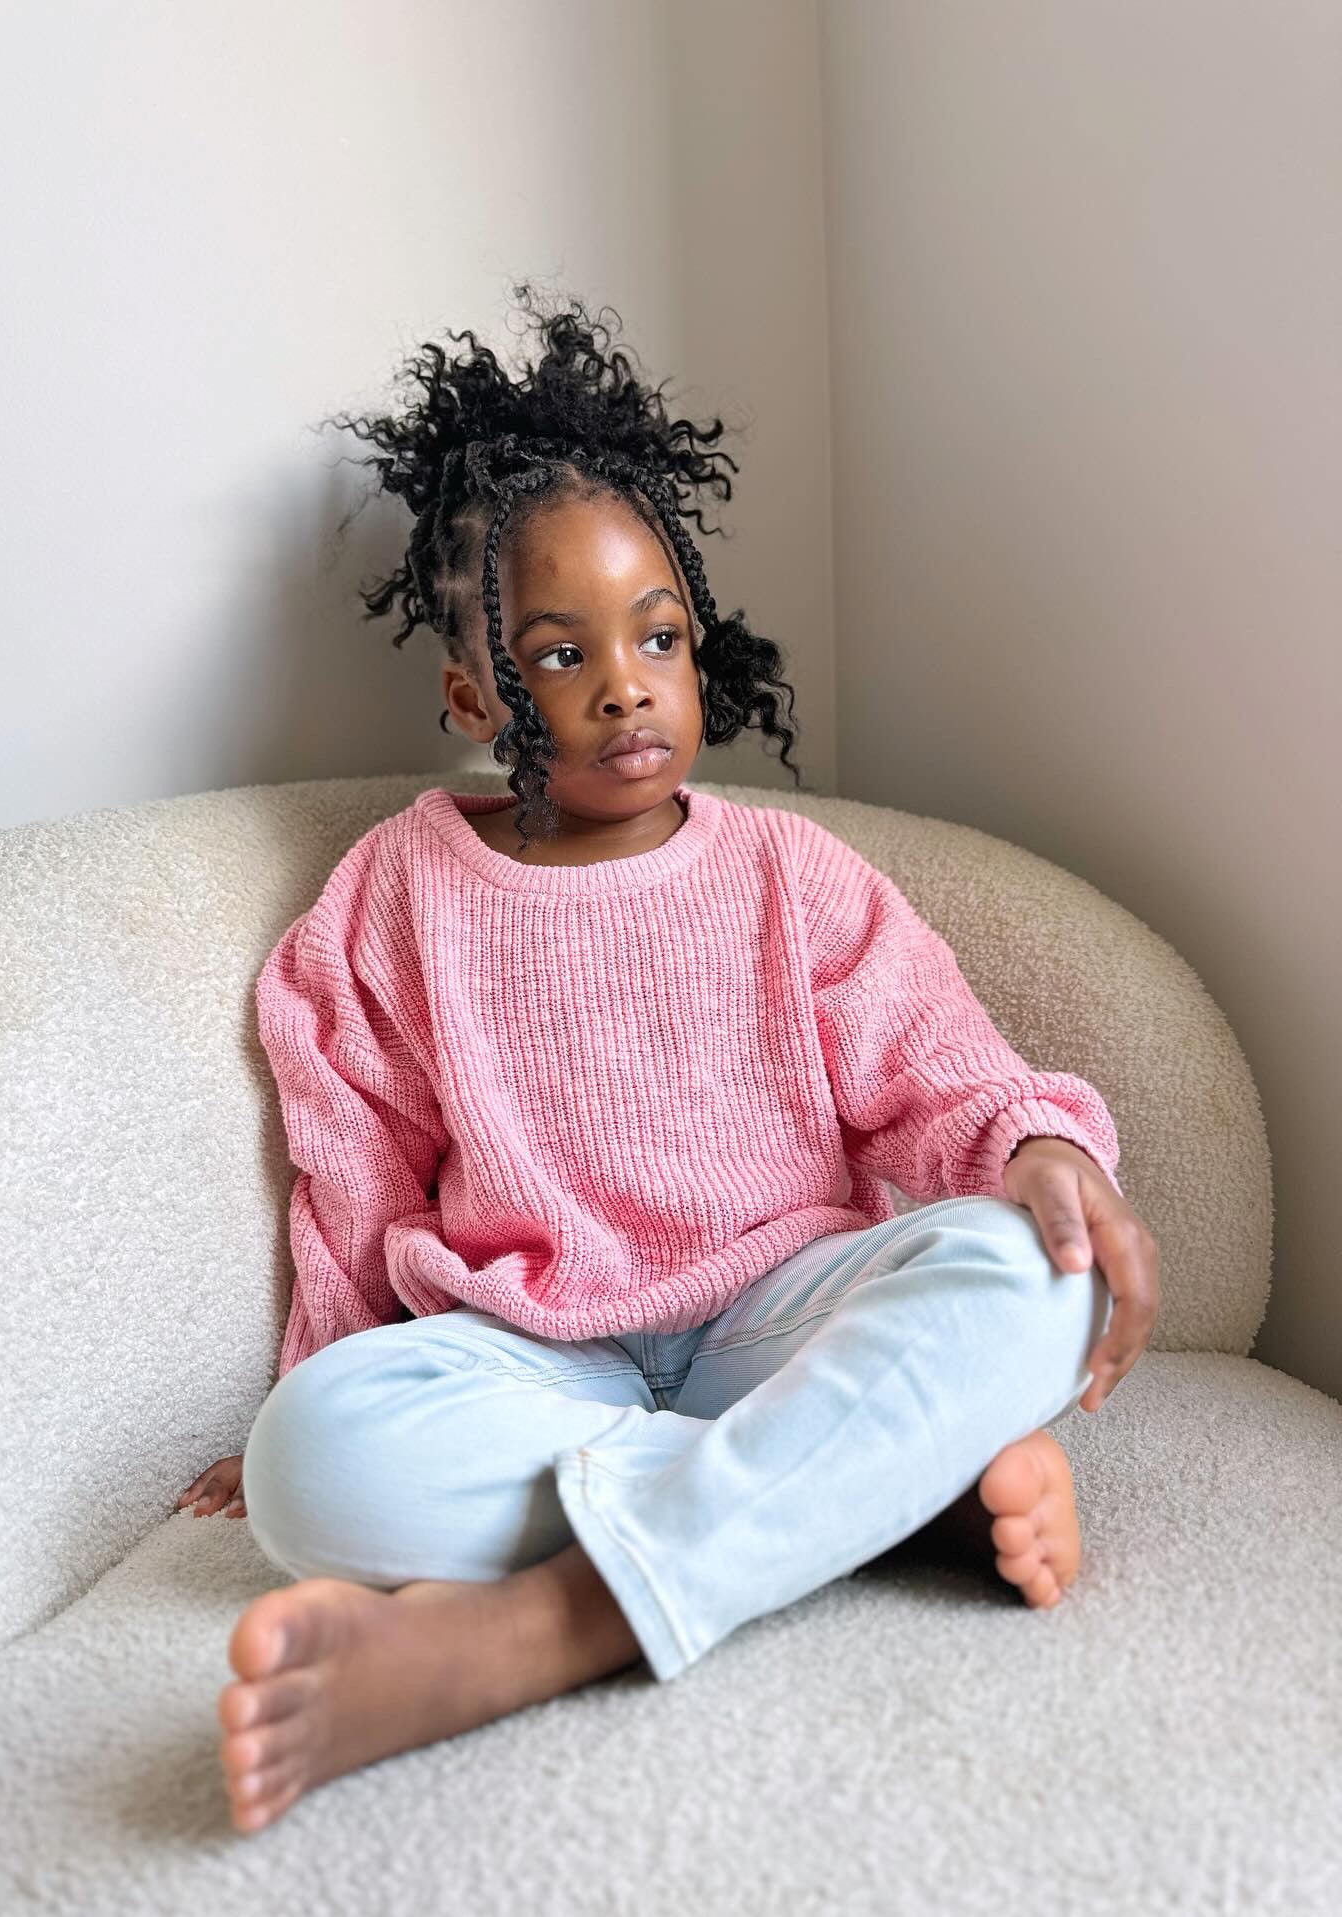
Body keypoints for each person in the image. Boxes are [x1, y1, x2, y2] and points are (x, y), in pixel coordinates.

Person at [175, 284, 1160, 1836]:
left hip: (777, 1315)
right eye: (560, 653)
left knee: (1045, 1271)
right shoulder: (396, 894)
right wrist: (318, 1372)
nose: (625, 681)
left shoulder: (789, 874)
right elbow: (354, 1175)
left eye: (658, 636)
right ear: (473, 694)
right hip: (534, 1348)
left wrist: (1038, 1147)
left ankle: (543, 1626)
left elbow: (946, 1073)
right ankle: (864, 1496)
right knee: (312, 1460)